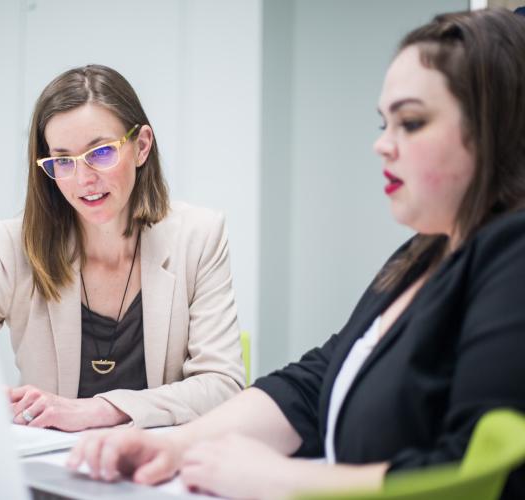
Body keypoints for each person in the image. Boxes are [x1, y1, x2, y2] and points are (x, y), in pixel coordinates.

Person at [67, 9, 525, 499]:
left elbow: (478, 471)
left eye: (411, 122)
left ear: (496, 130)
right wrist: (176, 446)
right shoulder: (421, 254)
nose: (382, 146)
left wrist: (275, 479)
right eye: (383, 122)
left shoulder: (513, 254)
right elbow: (313, 384)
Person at [0, 65, 245, 432]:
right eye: (63, 160)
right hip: (52, 476)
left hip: (154, 473)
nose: (83, 180)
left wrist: (98, 410)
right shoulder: (13, 246)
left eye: (99, 153)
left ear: (141, 146)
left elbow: (223, 386)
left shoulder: (198, 236)